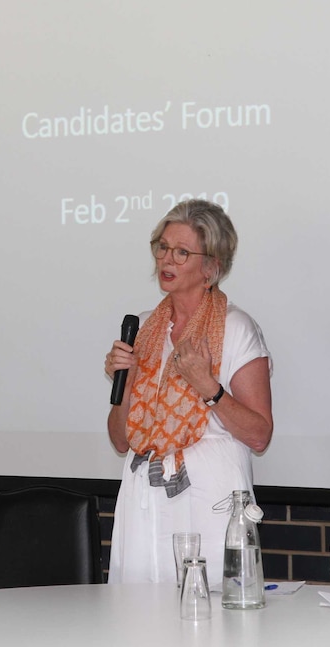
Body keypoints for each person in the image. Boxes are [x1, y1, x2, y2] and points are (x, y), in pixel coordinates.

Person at [104, 199, 273, 584]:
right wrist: (126, 384)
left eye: (182, 252)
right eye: (163, 247)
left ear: (211, 267)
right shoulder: (144, 329)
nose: (167, 260)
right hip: (143, 498)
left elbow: (260, 435)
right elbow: (119, 439)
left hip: (208, 501)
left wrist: (208, 388)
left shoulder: (237, 329)